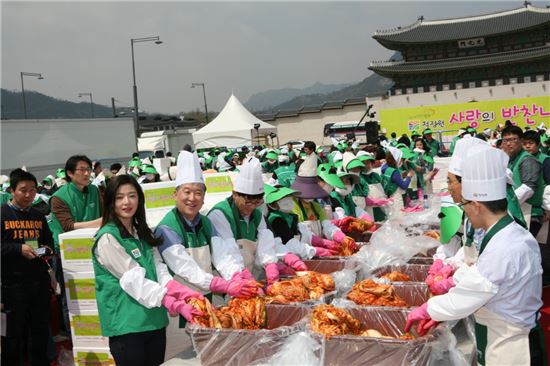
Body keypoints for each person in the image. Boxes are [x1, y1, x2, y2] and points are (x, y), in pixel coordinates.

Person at [405, 147, 545, 366]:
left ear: (477, 206)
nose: (465, 212)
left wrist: (428, 309)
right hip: (500, 332)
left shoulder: (506, 244)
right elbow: (480, 272)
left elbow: (476, 289)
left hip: (512, 344)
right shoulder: (505, 234)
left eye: (465, 206)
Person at [92, 175, 204, 366]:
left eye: (132, 196)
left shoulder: (142, 232)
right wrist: (171, 302)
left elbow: (158, 268)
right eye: (119, 197)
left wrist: (178, 289)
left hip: (154, 322)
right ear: (111, 202)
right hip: (127, 327)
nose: (126, 202)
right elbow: (135, 281)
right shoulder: (108, 239)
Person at [155, 151, 258, 326]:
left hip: (207, 297)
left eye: (198, 193)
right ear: (175, 194)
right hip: (183, 303)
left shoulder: (206, 223)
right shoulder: (167, 228)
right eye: (186, 192)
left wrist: (236, 274)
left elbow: (222, 255)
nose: (192, 198)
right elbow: (185, 268)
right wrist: (223, 286)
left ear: (204, 197)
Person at [1, 169, 54, 366]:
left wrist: (46, 251)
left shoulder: (38, 216)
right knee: (13, 333)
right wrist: (17, 249)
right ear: (12, 191)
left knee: (39, 329)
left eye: (32, 190)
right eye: (23, 190)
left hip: (38, 282)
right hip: (12, 284)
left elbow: (49, 243)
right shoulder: (2, 214)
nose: (28, 195)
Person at [208, 157, 280, 286]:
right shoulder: (220, 214)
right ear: (235, 194)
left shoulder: (257, 214)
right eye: (247, 202)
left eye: (257, 202)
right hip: (227, 281)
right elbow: (227, 252)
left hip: (249, 278)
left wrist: (270, 264)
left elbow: (265, 241)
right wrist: (240, 275)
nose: (252, 207)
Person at [49, 155, 102, 251]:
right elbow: (68, 226)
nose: (86, 173)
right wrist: (100, 222)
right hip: (69, 248)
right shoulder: (58, 197)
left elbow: (105, 212)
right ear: (70, 173)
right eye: (82, 170)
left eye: (89, 169)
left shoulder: (94, 190)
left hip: (93, 243)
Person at [501, 125, 544, 236]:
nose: (509, 143)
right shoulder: (510, 160)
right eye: (506, 140)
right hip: (517, 210)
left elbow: (528, 188)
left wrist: (506, 205)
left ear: (521, 141)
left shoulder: (527, 159)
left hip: (530, 213)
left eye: (513, 139)